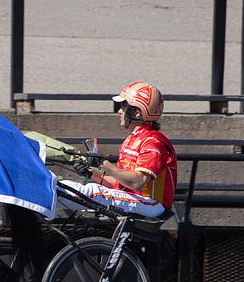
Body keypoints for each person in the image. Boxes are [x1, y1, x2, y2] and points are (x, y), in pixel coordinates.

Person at [59, 82, 178, 218]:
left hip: (152, 204)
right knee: (65, 186)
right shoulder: (131, 140)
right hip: (135, 199)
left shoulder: (153, 143)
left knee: (91, 192)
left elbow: (137, 182)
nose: (119, 111)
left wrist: (103, 164)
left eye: (123, 106)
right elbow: (119, 184)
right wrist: (90, 173)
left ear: (137, 112)